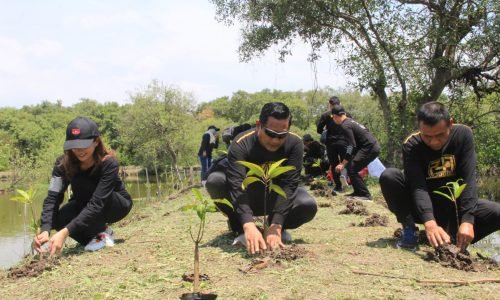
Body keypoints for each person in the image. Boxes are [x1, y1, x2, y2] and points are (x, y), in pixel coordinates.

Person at [380, 102, 500, 251]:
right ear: (419, 127)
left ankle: (455, 239)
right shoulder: (412, 145)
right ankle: (410, 231)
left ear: (450, 123)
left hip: (452, 205)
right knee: (389, 176)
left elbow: (468, 181)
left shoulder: (463, 136)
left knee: (496, 212)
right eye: (427, 137)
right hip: (422, 206)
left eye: (440, 135)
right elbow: (419, 188)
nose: (434, 142)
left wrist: (468, 220)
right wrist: (429, 223)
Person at [205, 102, 317, 254]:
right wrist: (248, 224)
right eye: (270, 133)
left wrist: (277, 224)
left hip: (274, 196)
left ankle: (272, 228)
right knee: (215, 182)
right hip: (247, 194)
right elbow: (236, 185)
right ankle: (240, 228)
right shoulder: (241, 143)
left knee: (307, 205)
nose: (275, 140)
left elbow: (290, 185)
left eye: (282, 135)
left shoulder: (295, 143)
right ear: (259, 125)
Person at [34, 117, 133, 255]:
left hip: (115, 205)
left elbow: (97, 203)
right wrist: (45, 229)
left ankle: (100, 231)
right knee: (57, 219)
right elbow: (52, 197)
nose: (79, 150)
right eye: (75, 146)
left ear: (96, 141)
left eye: (84, 145)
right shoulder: (62, 164)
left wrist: (64, 233)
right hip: (83, 202)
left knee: (84, 184)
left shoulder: (109, 164)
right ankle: (99, 236)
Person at [331, 105, 380, 200]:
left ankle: (365, 195)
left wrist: (342, 163)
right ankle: (358, 192)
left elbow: (351, 146)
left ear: (335, 116)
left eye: (333, 118)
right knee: (351, 167)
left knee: (352, 169)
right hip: (370, 147)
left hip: (370, 148)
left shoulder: (345, 126)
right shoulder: (350, 122)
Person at [316, 96, 348, 192]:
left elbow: (318, 130)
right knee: (344, 162)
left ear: (330, 104)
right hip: (344, 142)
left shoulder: (326, 115)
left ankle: (338, 186)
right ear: (340, 103)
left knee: (334, 164)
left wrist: (326, 131)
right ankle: (344, 176)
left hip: (331, 142)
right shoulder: (346, 114)